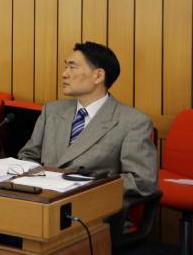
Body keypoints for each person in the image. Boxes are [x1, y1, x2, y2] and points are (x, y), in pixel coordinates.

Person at [18, 42, 157, 196]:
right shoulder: (52, 110)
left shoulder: (133, 122)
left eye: (72, 67)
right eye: (66, 67)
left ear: (98, 76)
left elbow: (141, 181)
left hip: (89, 206)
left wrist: (83, 186)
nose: (64, 74)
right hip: (40, 197)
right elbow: (28, 156)